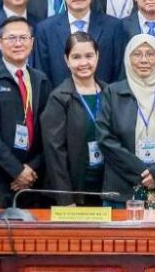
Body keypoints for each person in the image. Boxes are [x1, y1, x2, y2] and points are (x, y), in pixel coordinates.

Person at [96, 34, 155, 205]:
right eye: (137, 54)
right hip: (121, 188)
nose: (144, 60)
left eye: (150, 54)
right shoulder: (112, 92)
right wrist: (142, 171)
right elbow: (105, 138)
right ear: (128, 58)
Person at [0, 15, 45, 208]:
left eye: (23, 38)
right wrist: (16, 170)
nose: (18, 43)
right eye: (11, 38)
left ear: (32, 42)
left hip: (32, 179)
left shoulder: (40, 80)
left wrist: (31, 168)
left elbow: (48, 131)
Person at [39, 31, 110, 197]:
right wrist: (65, 198)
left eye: (89, 56)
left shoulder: (110, 93)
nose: (83, 62)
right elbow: (54, 153)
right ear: (66, 60)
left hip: (107, 188)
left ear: (97, 56)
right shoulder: (59, 98)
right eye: (76, 57)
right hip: (75, 190)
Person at [34, 0, 125, 87]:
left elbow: (119, 73)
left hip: (104, 101)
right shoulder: (45, 29)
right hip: (59, 102)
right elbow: (42, 75)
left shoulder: (114, 27)